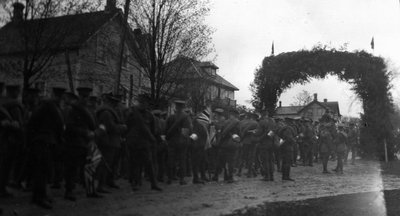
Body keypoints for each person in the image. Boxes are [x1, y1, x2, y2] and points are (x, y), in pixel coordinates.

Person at [27, 90, 65, 209]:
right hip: (45, 143)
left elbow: (32, 124)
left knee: (42, 171)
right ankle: (39, 198)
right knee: (43, 171)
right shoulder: (51, 107)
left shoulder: (42, 107)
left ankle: (39, 196)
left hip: (40, 142)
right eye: (58, 96)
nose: (59, 99)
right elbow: (60, 124)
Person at [63, 87, 97, 201]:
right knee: (72, 168)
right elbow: (70, 127)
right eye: (83, 96)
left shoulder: (86, 109)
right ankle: (69, 191)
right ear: (79, 96)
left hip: (84, 143)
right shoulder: (72, 110)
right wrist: (85, 132)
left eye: (87, 97)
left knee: (88, 166)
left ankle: (90, 190)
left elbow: (91, 124)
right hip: (74, 142)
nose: (85, 99)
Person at [125, 99, 162, 191]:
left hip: (145, 143)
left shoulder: (150, 116)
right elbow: (127, 127)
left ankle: (154, 184)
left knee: (149, 163)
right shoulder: (132, 114)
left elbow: (153, 130)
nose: (142, 105)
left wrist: (151, 139)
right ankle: (135, 183)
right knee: (135, 164)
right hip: (134, 143)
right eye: (141, 103)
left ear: (147, 105)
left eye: (144, 103)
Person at [96, 93, 127, 192]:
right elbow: (110, 127)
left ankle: (109, 181)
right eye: (114, 102)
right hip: (107, 142)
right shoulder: (106, 112)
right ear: (110, 101)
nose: (116, 104)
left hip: (113, 141)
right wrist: (122, 128)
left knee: (112, 164)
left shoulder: (112, 111)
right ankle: (100, 185)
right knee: (105, 164)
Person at [166, 100, 192, 185]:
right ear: (183, 107)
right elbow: (186, 131)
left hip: (172, 141)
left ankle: (169, 178)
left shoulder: (170, 117)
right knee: (182, 160)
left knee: (170, 160)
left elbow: (166, 130)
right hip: (182, 142)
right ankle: (182, 179)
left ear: (176, 107)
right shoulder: (186, 117)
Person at [213, 109, 240, 183]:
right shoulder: (236, 122)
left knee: (221, 161)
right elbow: (238, 133)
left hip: (222, 144)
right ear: (236, 114)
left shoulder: (225, 122)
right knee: (231, 161)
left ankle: (216, 176)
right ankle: (230, 177)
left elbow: (220, 131)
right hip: (231, 144)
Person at [255, 110, 276, 181]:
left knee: (265, 160)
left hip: (264, 143)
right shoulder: (272, 121)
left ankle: (266, 176)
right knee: (271, 160)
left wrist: (256, 134)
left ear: (262, 114)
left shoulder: (262, 122)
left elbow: (258, 132)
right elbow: (273, 132)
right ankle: (272, 176)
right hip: (272, 143)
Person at [238, 112, 259, 178]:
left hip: (244, 141)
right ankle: (250, 173)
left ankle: (239, 172)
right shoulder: (255, 123)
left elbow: (240, 131)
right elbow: (257, 132)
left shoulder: (242, 122)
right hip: (252, 142)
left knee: (242, 157)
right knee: (251, 157)